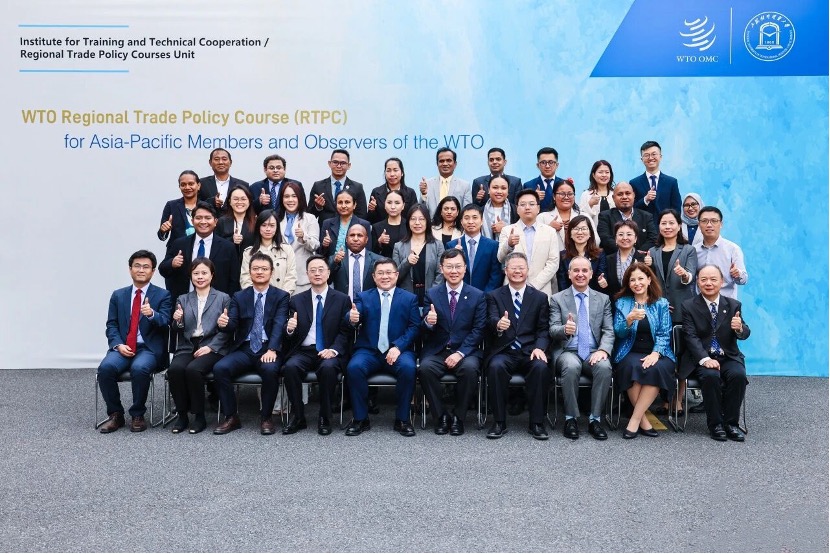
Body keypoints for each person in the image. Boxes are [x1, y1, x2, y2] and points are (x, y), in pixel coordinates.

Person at [213, 252, 290, 435]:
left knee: (270, 370)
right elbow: (232, 324)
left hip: (268, 347)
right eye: (255, 269)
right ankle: (231, 416)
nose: (260, 272)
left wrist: (272, 349)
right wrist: (223, 324)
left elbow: (279, 323)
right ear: (249, 271)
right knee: (220, 369)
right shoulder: (239, 296)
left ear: (271, 272)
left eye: (264, 269)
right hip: (245, 349)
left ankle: (266, 417)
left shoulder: (281, 296)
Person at [97, 250, 172, 433]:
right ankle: (116, 414)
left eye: (146, 267)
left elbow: (166, 322)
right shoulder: (118, 295)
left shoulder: (163, 295)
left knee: (139, 368)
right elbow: (111, 324)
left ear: (153, 271)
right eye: (137, 266)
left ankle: (137, 414)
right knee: (105, 369)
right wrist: (118, 345)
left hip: (148, 349)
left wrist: (152, 314)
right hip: (123, 346)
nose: (141, 270)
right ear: (130, 269)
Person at [344, 258, 421, 437]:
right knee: (354, 368)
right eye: (380, 273)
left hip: (399, 350)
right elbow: (355, 314)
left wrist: (398, 347)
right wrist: (352, 317)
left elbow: (414, 327)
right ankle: (360, 418)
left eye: (389, 273)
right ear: (374, 276)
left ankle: (402, 419)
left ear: (396, 275)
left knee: (408, 368)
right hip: (369, 351)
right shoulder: (364, 296)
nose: (385, 276)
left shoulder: (409, 298)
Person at [281, 255, 353, 436]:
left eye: (321, 270)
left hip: (329, 349)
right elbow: (289, 334)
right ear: (307, 274)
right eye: (312, 270)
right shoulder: (296, 300)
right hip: (304, 350)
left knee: (328, 368)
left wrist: (334, 350)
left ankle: (325, 417)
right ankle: (298, 416)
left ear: (328, 273)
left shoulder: (342, 299)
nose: (317, 273)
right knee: (290, 367)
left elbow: (345, 331)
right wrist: (289, 329)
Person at [485, 252, 552, 440]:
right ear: (506, 271)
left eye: (521, 268)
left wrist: (539, 347)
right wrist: (498, 325)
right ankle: (499, 422)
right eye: (513, 268)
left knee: (540, 367)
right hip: (504, 350)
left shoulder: (539, 297)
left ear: (527, 270)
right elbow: (490, 320)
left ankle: (537, 423)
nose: (517, 271)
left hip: (530, 350)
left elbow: (543, 329)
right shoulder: (494, 295)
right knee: (495, 367)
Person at [420, 249, 487, 435]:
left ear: (465, 268)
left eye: (458, 266)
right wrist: (428, 322)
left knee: (470, 369)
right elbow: (423, 328)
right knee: (425, 369)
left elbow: (479, 330)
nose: (454, 271)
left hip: (466, 351)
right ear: (441, 269)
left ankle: (459, 417)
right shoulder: (432, 294)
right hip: (438, 350)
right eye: (449, 267)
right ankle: (441, 416)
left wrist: (460, 353)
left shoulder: (477, 295)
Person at [681, 265, 750, 441]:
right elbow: (690, 336)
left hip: (728, 356)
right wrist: (705, 359)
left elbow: (745, 333)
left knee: (738, 375)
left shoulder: (733, 305)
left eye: (713, 279)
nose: (708, 283)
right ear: (697, 282)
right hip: (702, 358)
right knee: (711, 376)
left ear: (722, 281)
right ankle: (716, 424)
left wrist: (739, 328)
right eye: (704, 279)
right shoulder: (688, 306)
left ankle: (731, 424)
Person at [549, 257, 614, 440]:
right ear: (569, 274)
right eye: (576, 270)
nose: (580, 274)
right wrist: (564, 330)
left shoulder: (603, 299)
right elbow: (552, 329)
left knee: (604, 367)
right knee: (571, 366)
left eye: (584, 270)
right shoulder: (557, 299)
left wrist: (603, 350)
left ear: (591, 274)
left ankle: (595, 420)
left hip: (594, 351)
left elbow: (608, 330)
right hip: (568, 350)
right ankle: (571, 419)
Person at [612, 262, 676, 439]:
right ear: (628, 283)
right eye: (632, 280)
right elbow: (618, 333)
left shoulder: (661, 303)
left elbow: (664, 333)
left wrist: (656, 353)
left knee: (655, 368)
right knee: (631, 367)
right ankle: (643, 421)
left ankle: (635, 420)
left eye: (641, 278)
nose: (637, 283)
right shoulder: (622, 303)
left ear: (649, 280)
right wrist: (629, 320)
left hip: (658, 351)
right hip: (629, 350)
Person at [167, 258, 231, 434]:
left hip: (212, 346)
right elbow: (177, 328)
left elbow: (227, 330)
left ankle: (199, 416)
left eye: (204, 273)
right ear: (191, 276)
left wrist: (211, 347)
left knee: (193, 370)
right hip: (188, 345)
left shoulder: (223, 298)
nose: (200, 277)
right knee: (175, 370)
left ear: (212, 275)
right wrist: (177, 320)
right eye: (196, 273)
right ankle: (182, 415)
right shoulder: (183, 298)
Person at [159, 201, 240, 303]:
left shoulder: (228, 247)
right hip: (185, 304)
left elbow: (234, 281)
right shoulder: (180, 244)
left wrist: (228, 305)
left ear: (215, 221)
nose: (203, 222)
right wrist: (172, 263)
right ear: (192, 221)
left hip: (217, 305)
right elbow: (162, 269)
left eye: (207, 218)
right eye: (198, 218)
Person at [497, 189, 560, 295]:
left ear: (538, 208)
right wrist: (509, 245)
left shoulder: (550, 232)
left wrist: (534, 285)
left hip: (541, 290)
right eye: (522, 204)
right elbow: (500, 258)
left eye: (531, 204)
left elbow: (553, 263)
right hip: (513, 288)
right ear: (517, 209)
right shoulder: (507, 230)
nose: (527, 207)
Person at [646, 209, 697, 323]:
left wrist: (684, 274)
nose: (667, 227)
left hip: (682, 307)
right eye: (663, 223)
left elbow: (690, 276)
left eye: (671, 223)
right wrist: (647, 266)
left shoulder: (689, 250)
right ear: (659, 226)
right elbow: (650, 281)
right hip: (658, 307)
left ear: (679, 226)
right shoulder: (652, 251)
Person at [393, 204, 445, 309]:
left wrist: (432, 294)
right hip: (406, 297)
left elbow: (441, 273)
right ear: (408, 222)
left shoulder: (438, 245)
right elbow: (394, 277)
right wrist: (407, 262)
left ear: (427, 222)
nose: (417, 223)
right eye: (413, 219)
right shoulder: (398, 246)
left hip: (431, 295)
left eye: (421, 219)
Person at [693, 206, 748, 299]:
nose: (709, 225)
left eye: (714, 221)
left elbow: (743, 280)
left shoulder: (733, 249)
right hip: (700, 305)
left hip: (727, 304)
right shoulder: (694, 250)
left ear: (721, 224)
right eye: (704, 221)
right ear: (699, 224)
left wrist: (737, 274)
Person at [446, 204, 503, 292]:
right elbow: (447, 273)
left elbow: (495, 275)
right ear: (461, 221)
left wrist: (485, 296)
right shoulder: (452, 245)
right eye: (466, 218)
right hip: (459, 295)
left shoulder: (493, 246)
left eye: (475, 218)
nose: (470, 222)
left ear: (482, 221)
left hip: (485, 296)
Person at [240, 209, 297, 295]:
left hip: (281, 298)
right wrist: (258, 296)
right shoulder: (249, 252)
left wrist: (282, 297)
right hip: (257, 299)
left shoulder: (287, 249)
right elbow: (245, 279)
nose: (268, 229)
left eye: (272, 225)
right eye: (264, 225)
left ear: (277, 227)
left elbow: (291, 277)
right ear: (258, 227)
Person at [278, 181, 320, 295]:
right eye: (286, 196)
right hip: (280, 277)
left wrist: (303, 237)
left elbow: (315, 245)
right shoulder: (276, 219)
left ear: (300, 198)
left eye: (294, 196)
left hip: (302, 278)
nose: (290, 200)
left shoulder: (310, 218)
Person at [308, 149, 368, 224]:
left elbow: (362, 215)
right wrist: (318, 207)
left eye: (343, 163)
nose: (339, 166)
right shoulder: (318, 186)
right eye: (335, 162)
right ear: (329, 163)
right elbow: (309, 216)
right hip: (325, 229)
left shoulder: (357, 187)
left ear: (349, 166)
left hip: (349, 229)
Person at [597, 182, 658, 255]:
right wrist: (626, 252)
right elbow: (605, 239)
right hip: (614, 259)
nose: (624, 197)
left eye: (628, 193)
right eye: (620, 194)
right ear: (613, 198)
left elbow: (652, 238)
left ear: (634, 195)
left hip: (641, 259)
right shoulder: (605, 216)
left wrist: (636, 254)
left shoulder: (646, 216)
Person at [556, 214, 608, 293]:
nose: (580, 232)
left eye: (584, 229)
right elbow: (562, 284)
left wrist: (602, 282)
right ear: (570, 233)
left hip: (593, 297)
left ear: (590, 233)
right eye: (576, 229)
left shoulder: (599, 254)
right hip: (569, 297)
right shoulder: (563, 256)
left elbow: (601, 276)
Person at [538, 178, 595, 249]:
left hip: (579, 255)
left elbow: (596, 241)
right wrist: (549, 229)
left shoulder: (584, 216)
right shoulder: (542, 217)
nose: (566, 197)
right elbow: (535, 243)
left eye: (570, 194)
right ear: (554, 196)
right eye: (562, 194)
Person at [329, 224, 381, 300]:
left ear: (366, 239)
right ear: (346, 239)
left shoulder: (378, 260)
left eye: (359, 235)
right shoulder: (335, 259)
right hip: (343, 304)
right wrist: (335, 263)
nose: (355, 239)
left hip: (369, 304)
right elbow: (327, 281)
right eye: (352, 235)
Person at [630, 140, 681, 216]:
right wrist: (645, 199)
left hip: (665, 223)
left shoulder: (671, 182)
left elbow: (676, 208)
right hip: (643, 223)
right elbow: (631, 208)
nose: (650, 158)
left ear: (660, 157)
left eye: (654, 154)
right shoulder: (634, 183)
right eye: (646, 155)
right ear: (642, 159)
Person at [319, 188, 372, 258]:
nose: (343, 206)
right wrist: (324, 245)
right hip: (331, 262)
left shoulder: (364, 225)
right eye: (340, 202)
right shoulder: (327, 223)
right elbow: (320, 253)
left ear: (354, 205)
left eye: (347, 202)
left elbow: (368, 251)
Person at [419, 147, 472, 216]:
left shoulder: (464, 186)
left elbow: (467, 212)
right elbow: (421, 210)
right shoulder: (428, 184)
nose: (445, 164)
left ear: (455, 164)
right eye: (441, 161)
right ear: (437, 164)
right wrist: (423, 194)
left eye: (448, 160)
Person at [604, 220, 647, 302]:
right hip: (614, 305)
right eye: (620, 234)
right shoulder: (608, 260)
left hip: (639, 304)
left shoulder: (644, 260)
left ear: (635, 239)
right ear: (615, 238)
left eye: (629, 234)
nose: (625, 238)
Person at [366, 157, 418, 224]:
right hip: (382, 229)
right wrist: (372, 210)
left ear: (402, 173)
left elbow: (414, 216)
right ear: (385, 173)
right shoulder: (376, 192)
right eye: (388, 171)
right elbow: (370, 220)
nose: (392, 174)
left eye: (395, 170)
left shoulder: (410, 193)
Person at [157, 170, 200, 247]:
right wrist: (163, 230)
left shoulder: (206, 206)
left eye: (191, 184)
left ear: (198, 185)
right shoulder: (171, 205)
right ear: (179, 187)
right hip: (177, 250)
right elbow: (161, 235)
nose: (187, 187)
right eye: (183, 185)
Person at [216, 184, 256, 259]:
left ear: (249, 201)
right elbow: (216, 244)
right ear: (229, 201)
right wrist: (231, 240)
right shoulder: (221, 222)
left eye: (243, 199)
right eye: (235, 199)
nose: (239, 202)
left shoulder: (256, 222)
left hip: (249, 262)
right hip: (227, 261)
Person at [523, 147, 564, 213]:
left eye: (551, 162)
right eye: (543, 162)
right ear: (538, 165)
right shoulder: (528, 185)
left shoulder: (564, 184)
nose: (547, 166)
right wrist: (534, 198)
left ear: (557, 165)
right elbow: (523, 209)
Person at [579, 160, 616, 228]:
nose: (604, 175)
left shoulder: (615, 194)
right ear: (593, 175)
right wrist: (590, 204)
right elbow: (581, 218)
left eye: (607, 172)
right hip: (593, 232)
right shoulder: (586, 195)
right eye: (600, 172)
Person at [481, 175, 518, 240]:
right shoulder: (480, 211)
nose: (499, 191)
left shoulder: (516, 210)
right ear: (488, 190)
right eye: (495, 187)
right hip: (485, 246)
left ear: (508, 191)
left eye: (503, 188)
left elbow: (523, 231)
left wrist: (506, 229)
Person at [370, 190, 405, 259]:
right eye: (389, 203)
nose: (393, 207)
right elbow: (371, 254)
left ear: (403, 206)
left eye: (397, 203)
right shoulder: (376, 227)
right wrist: (379, 242)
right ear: (385, 205)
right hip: (384, 264)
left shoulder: (409, 226)